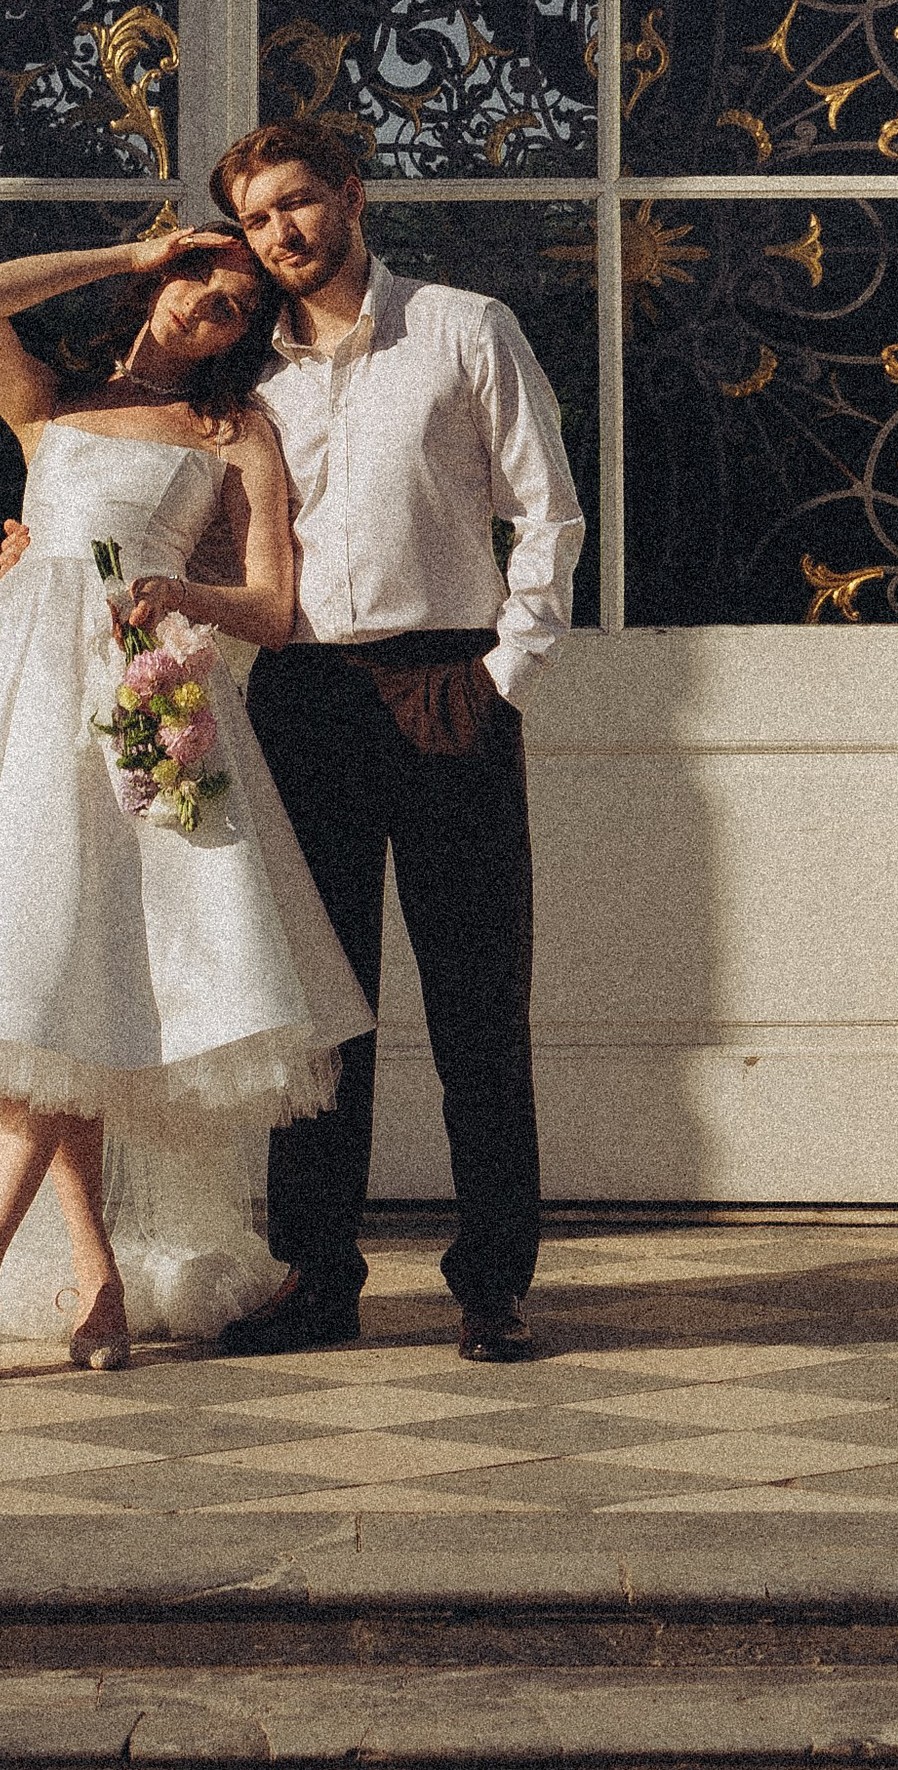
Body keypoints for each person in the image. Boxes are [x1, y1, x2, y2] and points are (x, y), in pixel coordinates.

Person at [0, 222, 373, 1386]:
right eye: (198, 278)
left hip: (136, 705)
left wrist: (175, 592)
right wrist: (131, 253)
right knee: (54, 991)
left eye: (237, 302)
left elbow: (270, 605)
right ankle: (96, 1278)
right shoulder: (52, 404)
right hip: (17, 706)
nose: (209, 304)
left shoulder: (231, 431)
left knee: (63, 985)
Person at [206, 118, 585, 1366]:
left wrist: (505, 673)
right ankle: (317, 1280)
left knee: (478, 1006)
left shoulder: (464, 328)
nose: (281, 233)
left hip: (445, 685)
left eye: (298, 202)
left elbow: (547, 511)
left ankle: (493, 1285)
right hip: (302, 697)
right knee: (321, 1018)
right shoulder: (242, 374)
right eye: (257, 218)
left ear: (352, 196)